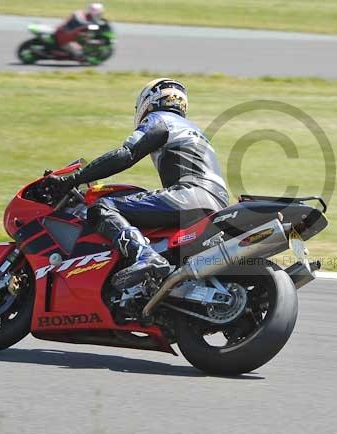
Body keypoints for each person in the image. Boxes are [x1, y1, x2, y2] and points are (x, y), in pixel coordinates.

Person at [45, 78, 229, 291]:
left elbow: (126, 154)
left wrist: (74, 179)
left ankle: (144, 255)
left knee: (103, 207)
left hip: (189, 194)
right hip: (216, 202)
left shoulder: (160, 119)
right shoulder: (193, 130)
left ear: (148, 102)